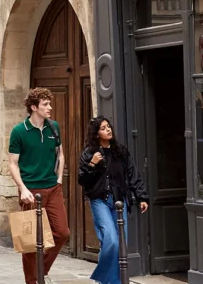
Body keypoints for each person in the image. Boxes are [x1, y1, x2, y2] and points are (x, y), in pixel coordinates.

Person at [8, 88, 70, 284]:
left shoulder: (54, 127)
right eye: (45, 104)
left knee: (62, 233)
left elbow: (60, 154)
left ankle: (41, 271)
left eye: (49, 104)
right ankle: (33, 281)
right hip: (31, 191)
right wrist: (23, 189)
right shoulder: (19, 131)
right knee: (30, 242)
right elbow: (13, 164)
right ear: (34, 107)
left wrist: (59, 178)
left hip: (53, 188)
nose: (50, 107)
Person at [78, 116, 149, 284]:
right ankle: (108, 280)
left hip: (120, 201)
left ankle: (109, 280)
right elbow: (83, 180)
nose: (108, 129)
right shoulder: (89, 153)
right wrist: (92, 165)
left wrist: (142, 197)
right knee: (110, 240)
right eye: (103, 128)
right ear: (96, 134)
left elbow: (133, 174)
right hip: (100, 201)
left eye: (108, 126)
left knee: (121, 244)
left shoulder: (121, 151)